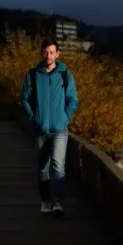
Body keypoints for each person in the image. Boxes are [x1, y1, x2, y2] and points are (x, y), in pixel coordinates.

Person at [20, 38, 79, 217]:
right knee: (43, 168)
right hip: (40, 129)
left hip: (59, 129)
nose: (48, 55)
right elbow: (24, 99)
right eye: (46, 52)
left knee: (58, 165)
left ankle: (58, 203)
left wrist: (65, 117)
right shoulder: (32, 75)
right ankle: (46, 201)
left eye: (52, 52)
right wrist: (32, 117)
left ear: (58, 54)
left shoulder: (65, 74)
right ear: (42, 53)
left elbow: (73, 100)